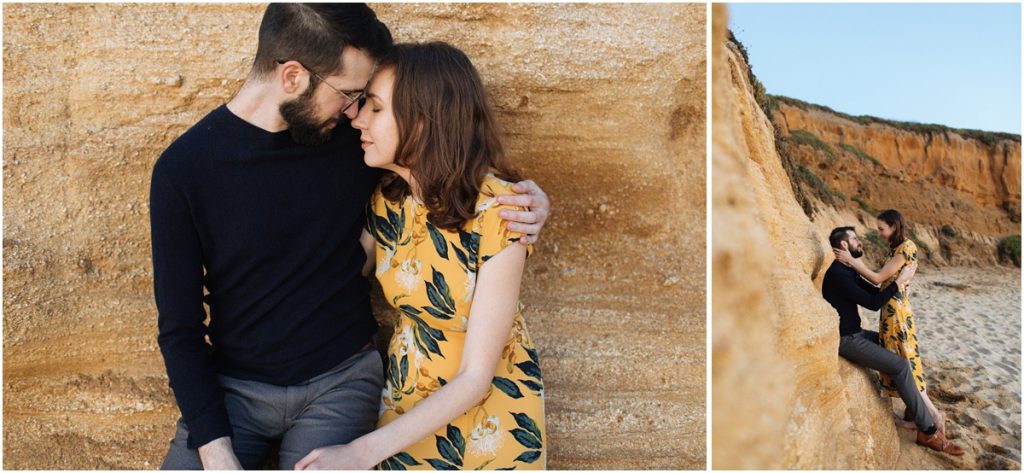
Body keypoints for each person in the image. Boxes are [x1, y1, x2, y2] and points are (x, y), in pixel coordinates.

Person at [150, 5, 550, 470]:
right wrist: (217, 454)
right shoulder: (183, 171)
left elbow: (445, 174)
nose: (355, 113)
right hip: (234, 388)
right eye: (350, 94)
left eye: (367, 102)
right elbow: (179, 329)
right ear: (293, 77)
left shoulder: (358, 146)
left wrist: (529, 204)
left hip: (341, 381)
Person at [294, 42, 545, 471]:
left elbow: (476, 376)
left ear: (424, 121)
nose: (356, 117)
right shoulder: (388, 202)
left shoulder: (501, 212)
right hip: (406, 406)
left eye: (374, 108)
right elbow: (328, 280)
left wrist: (360, 451)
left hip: (489, 425)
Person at [822, 227, 963, 456]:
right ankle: (928, 432)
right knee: (899, 365)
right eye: (855, 239)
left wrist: (902, 284)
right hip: (846, 340)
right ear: (845, 246)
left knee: (900, 345)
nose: (860, 241)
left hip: (857, 333)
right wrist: (900, 282)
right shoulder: (838, 274)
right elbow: (873, 303)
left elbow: (877, 288)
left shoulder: (847, 270)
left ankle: (912, 411)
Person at [832, 210, 943, 433]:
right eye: (878, 229)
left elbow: (877, 282)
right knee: (904, 360)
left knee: (905, 359)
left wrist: (853, 262)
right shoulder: (895, 250)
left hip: (893, 314)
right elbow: (879, 288)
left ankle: (930, 415)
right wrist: (900, 285)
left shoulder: (904, 248)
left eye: (881, 228)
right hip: (885, 313)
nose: (878, 233)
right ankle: (927, 419)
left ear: (894, 226)